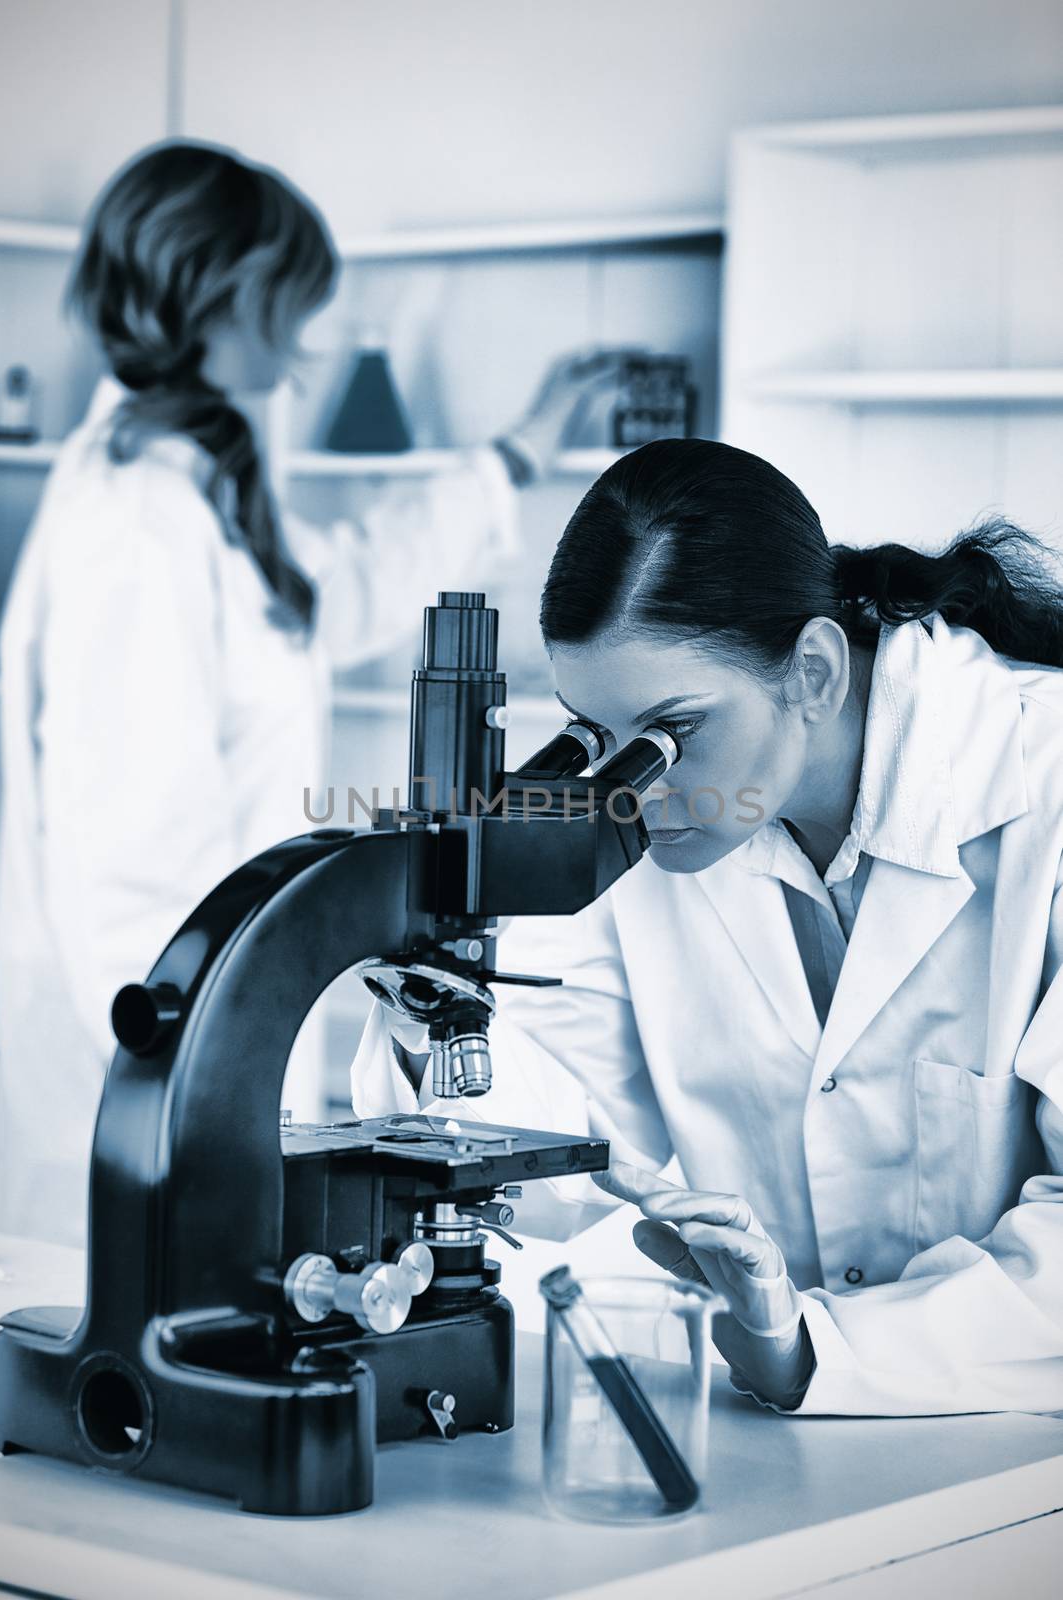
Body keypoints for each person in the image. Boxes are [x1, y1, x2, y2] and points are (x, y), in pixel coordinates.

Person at [353, 437, 1063, 1418]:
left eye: (668, 734)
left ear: (811, 673)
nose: (630, 790)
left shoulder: (1045, 786)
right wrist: (429, 993)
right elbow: (547, 1152)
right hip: (794, 1443)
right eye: (596, 739)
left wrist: (810, 1348)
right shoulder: (666, 824)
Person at [0, 140, 618, 1248]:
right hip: (148, 1094)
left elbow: (326, 599)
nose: (299, 345)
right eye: (288, 305)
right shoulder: (136, 524)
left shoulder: (194, 488)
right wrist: (215, 1108)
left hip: (199, 1067)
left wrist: (515, 456)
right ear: (219, 296)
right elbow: (129, 867)